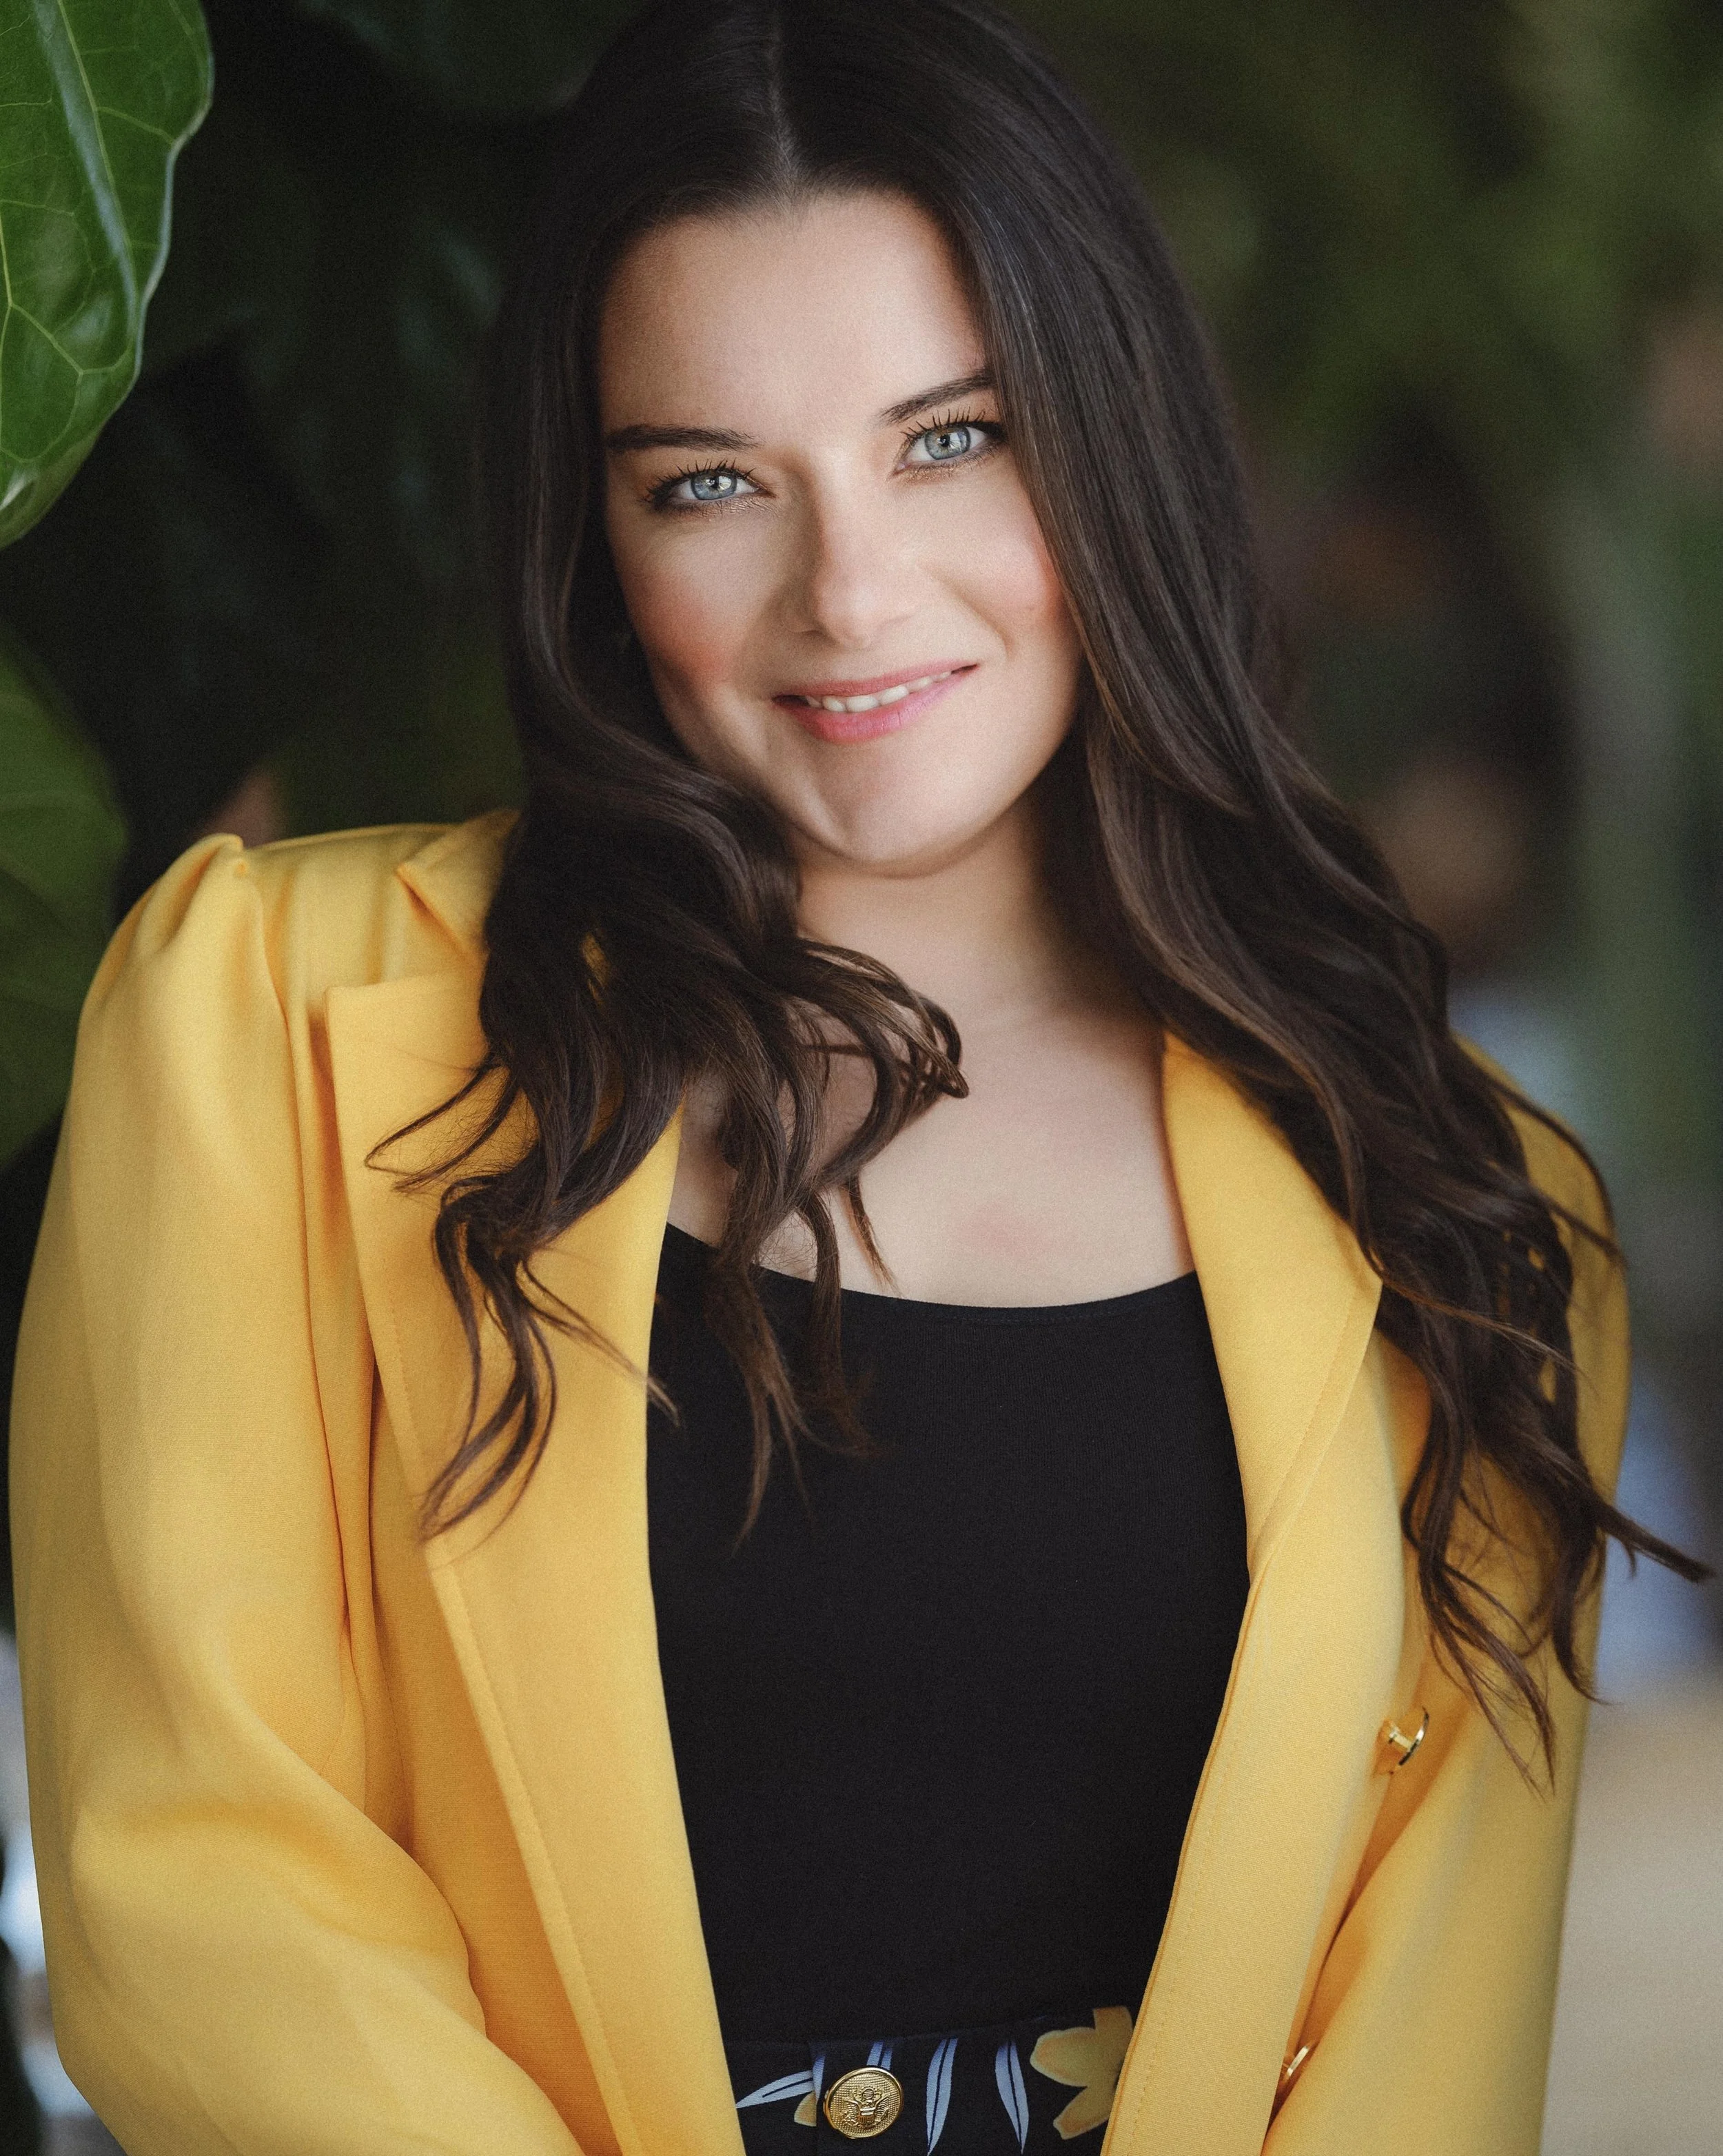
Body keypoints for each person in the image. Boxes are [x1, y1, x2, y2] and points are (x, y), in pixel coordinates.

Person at [9, 2, 1700, 2151]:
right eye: (711, 484)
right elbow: (203, 1894)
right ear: (596, 543)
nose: (849, 591)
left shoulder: (1454, 1200)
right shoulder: (262, 1021)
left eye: (951, 438)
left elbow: (1419, 2055)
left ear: (1111, 443)